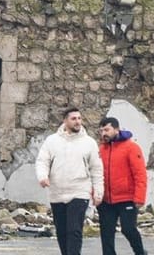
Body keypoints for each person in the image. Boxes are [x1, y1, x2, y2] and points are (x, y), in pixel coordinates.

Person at [36, 107, 104, 255]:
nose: (77, 122)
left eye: (79, 118)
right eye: (73, 119)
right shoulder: (52, 141)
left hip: (79, 191)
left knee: (74, 230)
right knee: (61, 231)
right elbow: (42, 160)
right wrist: (42, 176)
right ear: (65, 121)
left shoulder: (89, 142)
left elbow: (96, 169)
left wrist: (98, 191)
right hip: (57, 192)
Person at [97, 116, 148, 254]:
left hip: (126, 198)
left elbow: (140, 174)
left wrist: (139, 197)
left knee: (128, 229)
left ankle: (140, 252)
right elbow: (96, 173)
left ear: (116, 129)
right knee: (106, 233)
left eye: (107, 130)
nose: (103, 134)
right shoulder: (101, 149)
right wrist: (95, 194)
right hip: (106, 200)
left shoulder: (131, 147)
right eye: (101, 131)